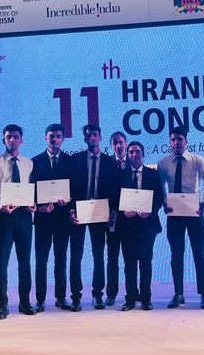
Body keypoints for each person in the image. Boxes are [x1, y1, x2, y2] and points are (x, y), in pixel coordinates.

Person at [0, 124, 36, 319]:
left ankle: (25, 302)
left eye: (16, 136)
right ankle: (3, 305)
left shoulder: (29, 163)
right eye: (8, 136)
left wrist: (33, 203)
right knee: (1, 262)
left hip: (24, 217)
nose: (12, 139)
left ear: (21, 140)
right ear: (4, 140)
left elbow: (32, 188)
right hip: (3, 216)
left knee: (25, 262)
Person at [157, 126, 204, 309]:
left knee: (200, 254)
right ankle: (178, 294)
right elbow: (161, 187)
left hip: (194, 213)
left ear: (186, 141)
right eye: (173, 140)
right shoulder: (164, 163)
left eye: (180, 139)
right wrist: (165, 203)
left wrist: (203, 203)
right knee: (176, 254)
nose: (176, 143)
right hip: (174, 214)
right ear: (170, 142)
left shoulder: (198, 160)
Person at [69, 124, 119, 310]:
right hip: (79, 211)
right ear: (84, 138)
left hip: (100, 212)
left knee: (99, 255)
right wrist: (71, 210)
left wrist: (112, 210)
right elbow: (70, 187)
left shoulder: (109, 162)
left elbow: (114, 189)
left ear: (100, 137)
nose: (92, 138)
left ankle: (98, 295)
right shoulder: (75, 160)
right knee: (76, 256)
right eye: (88, 135)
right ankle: (76, 297)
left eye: (95, 135)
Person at [31, 124, 73, 312]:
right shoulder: (35, 162)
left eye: (58, 136)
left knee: (61, 260)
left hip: (62, 220)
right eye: (51, 136)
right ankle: (40, 300)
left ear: (62, 139)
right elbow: (30, 189)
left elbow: (74, 188)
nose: (54, 139)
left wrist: (68, 203)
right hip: (43, 220)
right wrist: (39, 207)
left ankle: (61, 298)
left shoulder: (70, 161)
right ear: (45, 138)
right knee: (41, 261)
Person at [118, 141, 163, 311]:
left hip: (147, 226)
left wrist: (150, 211)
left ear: (143, 154)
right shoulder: (121, 175)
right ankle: (130, 299)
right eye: (131, 152)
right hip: (127, 226)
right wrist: (123, 212)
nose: (134, 155)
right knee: (129, 264)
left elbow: (159, 197)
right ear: (128, 154)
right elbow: (115, 197)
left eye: (137, 152)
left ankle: (145, 299)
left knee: (145, 263)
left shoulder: (153, 174)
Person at [105, 131, 128, 305]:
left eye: (121, 142)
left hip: (130, 218)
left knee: (130, 257)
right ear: (111, 146)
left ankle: (132, 293)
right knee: (112, 257)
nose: (118, 145)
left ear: (125, 143)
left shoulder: (134, 162)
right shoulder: (106, 164)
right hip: (111, 217)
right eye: (115, 143)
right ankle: (111, 294)